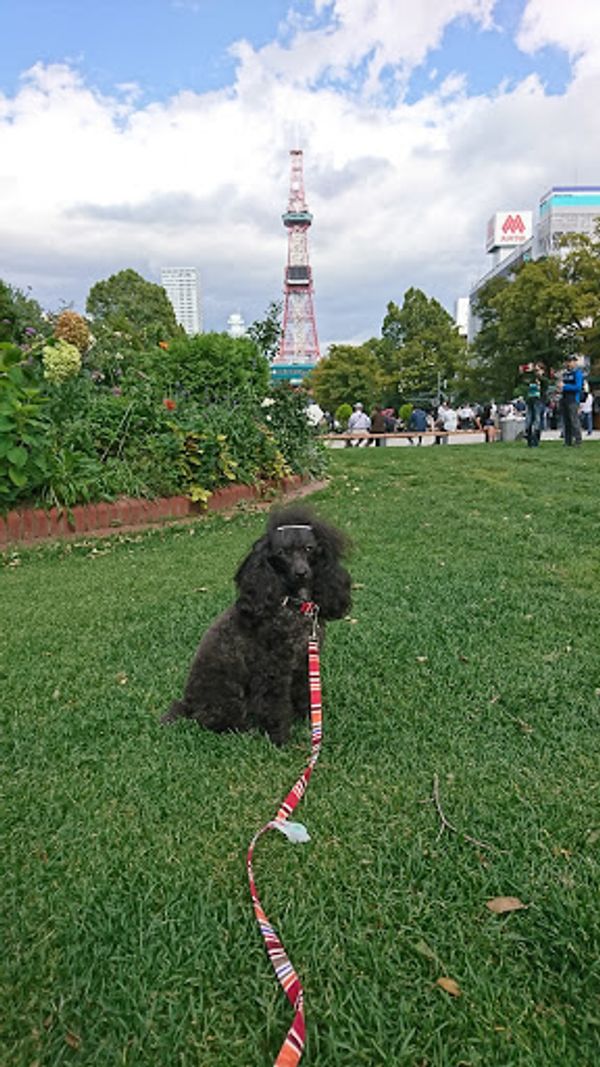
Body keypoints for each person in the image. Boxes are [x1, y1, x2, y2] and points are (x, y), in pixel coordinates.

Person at [560, 356, 584, 446]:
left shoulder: (577, 373)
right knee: (566, 421)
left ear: (575, 362)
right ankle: (567, 441)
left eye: (570, 361)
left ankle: (578, 440)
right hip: (564, 399)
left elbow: (578, 387)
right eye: (567, 361)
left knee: (574, 420)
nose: (568, 363)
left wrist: (565, 387)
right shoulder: (565, 374)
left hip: (573, 399)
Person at [524, 364, 545, 447]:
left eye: (538, 370)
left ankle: (535, 439)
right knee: (529, 419)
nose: (536, 372)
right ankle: (529, 437)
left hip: (539, 401)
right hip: (530, 400)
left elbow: (545, 386)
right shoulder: (531, 379)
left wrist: (539, 377)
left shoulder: (544, 380)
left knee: (537, 419)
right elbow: (524, 380)